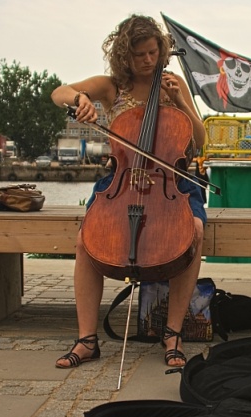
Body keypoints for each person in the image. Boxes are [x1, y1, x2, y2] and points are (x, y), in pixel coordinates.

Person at [51, 14, 206, 369]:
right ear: (125, 55)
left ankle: (173, 334)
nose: (149, 60)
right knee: (84, 241)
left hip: (172, 183)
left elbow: (198, 141)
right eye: (140, 55)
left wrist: (179, 101)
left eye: (153, 52)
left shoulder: (172, 82)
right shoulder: (111, 87)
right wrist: (79, 101)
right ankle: (87, 340)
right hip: (120, 182)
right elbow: (58, 92)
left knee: (193, 232)